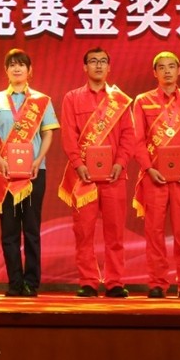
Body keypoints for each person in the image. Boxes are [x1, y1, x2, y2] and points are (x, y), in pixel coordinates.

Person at [58, 47, 136, 298]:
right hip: (84, 177)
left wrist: (120, 163)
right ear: (85, 67)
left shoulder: (120, 101)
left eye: (103, 61)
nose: (99, 65)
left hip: (114, 176)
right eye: (93, 61)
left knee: (115, 232)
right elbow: (69, 135)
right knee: (84, 232)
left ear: (109, 67)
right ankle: (88, 281)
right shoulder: (72, 98)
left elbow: (129, 135)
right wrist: (78, 164)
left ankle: (115, 282)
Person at [0, 48, 59, 297]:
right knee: (9, 231)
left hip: (34, 172)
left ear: (29, 70)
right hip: (5, 172)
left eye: (21, 65)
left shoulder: (41, 100)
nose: (17, 69)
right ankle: (14, 282)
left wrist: (38, 160)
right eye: (12, 65)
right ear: (6, 70)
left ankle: (31, 283)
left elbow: (48, 133)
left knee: (32, 230)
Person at [131, 52, 180, 299]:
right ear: (154, 73)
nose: (167, 71)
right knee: (154, 233)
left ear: (179, 70)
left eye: (171, 66)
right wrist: (148, 168)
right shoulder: (143, 101)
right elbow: (137, 140)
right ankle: (157, 283)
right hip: (154, 178)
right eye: (161, 67)